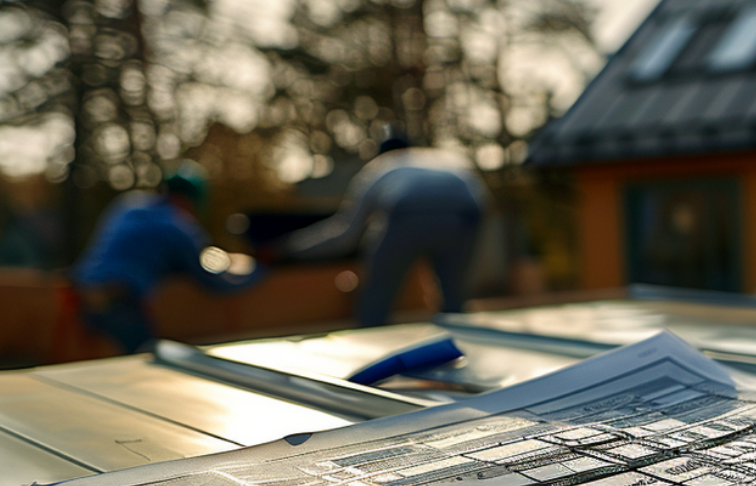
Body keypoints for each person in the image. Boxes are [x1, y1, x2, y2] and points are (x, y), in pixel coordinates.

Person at [275, 137, 486, 327]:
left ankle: (371, 343)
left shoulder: (380, 166)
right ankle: (459, 347)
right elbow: (480, 194)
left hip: (409, 212)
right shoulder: (439, 158)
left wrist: (290, 248)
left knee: (376, 299)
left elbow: (344, 232)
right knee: (454, 300)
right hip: (469, 213)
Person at [71, 161, 263, 354]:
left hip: (81, 293)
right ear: (193, 200)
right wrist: (258, 271)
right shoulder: (178, 226)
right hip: (118, 304)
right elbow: (212, 280)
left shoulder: (130, 204)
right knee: (145, 359)